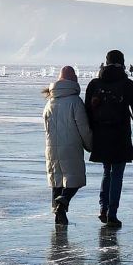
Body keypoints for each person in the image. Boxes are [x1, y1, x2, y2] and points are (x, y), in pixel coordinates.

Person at [85, 49, 133, 229]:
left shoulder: (94, 84)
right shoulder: (128, 85)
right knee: (117, 173)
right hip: (120, 135)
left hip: (100, 135)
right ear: (123, 63)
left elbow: (87, 113)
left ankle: (103, 208)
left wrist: (87, 137)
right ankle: (112, 214)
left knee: (107, 171)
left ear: (105, 63)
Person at [43, 66, 93, 226]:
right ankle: (63, 201)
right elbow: (83, 128)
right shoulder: (75, 102)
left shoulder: (50, 103)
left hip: (51, 148)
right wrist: (90, 145)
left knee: (57, 181)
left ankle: (58, 215)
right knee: (74, 179)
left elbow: (47, 128)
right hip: (71, 146)